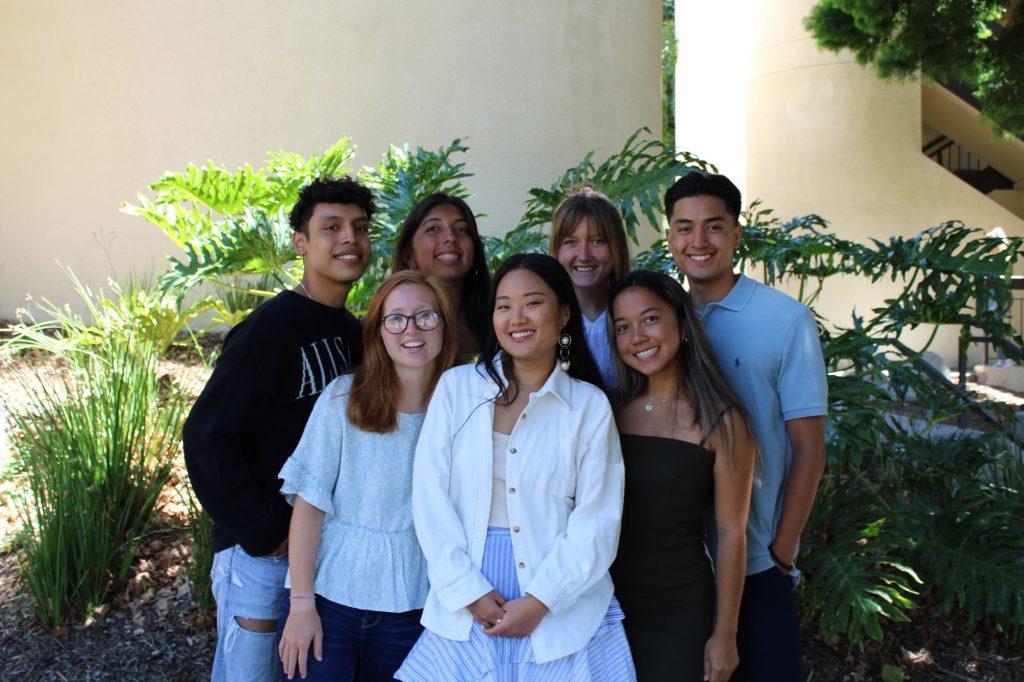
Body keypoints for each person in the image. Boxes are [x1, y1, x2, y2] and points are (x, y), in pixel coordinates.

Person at [395, 253, 635, 681]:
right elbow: (429, 497)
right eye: (503, 305)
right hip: (466, 594)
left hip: (561, 600)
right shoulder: (457, 389)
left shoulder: (587, 406)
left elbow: (598, 519)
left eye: (532, 303)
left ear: (564, 313)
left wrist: (541, 600)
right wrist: (470, 592)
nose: (516, 317)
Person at [183, 176, 374, 682]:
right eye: (331, 227)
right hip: (262, 558)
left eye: (359, 227)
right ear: (301, 243)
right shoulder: (270, 326)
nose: (349, 239)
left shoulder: (352, 332)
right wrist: (266, 532)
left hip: (320, 557)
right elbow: (206, 436)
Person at [664, 172, 828, 681]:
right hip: (678, 564)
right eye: (684, 227)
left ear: (736, 233)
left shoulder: (785, 321)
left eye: (713, 227)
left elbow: (809, 449)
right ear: (669, 236)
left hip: (758, 562)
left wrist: (783, 549)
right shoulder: (662, 317)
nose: (698, 242)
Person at [276, 271, 459, 681]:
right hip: (329, 604)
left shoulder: (463, 411)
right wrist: (301, 604)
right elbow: (309, 505)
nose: (411, 329)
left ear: (445, 326)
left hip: (415, 608)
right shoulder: (345, 398)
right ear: (377, 331)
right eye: (395, 318)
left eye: (426, 316)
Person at [609, 270, 756, 682]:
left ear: (682, 324)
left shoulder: (723, 421)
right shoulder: (607, 411)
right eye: (623, 326)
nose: (637, 336)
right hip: (604, 607)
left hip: (680, 608)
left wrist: (724, 635)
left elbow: (731, 534)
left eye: (650, 319)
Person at [550, 186, 631, 390]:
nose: (584, 255)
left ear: (616, 248)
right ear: (556, 250)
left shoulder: (637, 315)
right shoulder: (546, 320)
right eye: (571, 242)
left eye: (597, 241)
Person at [392, 193, 491, 360]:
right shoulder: (386, 322)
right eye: (433, 229)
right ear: (409, 255)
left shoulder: (497, 313)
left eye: (461, 229)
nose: (451, 237)